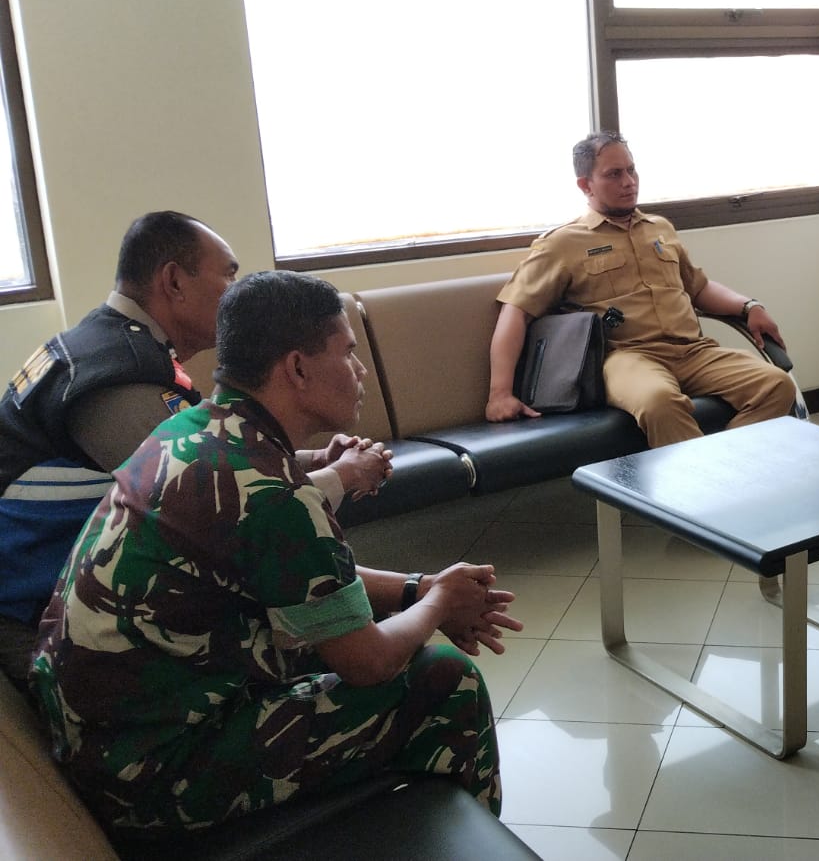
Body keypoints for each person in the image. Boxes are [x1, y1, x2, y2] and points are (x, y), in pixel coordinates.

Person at [30, 270, 521, 832]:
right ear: (298, 368)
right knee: (445, 679)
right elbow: (368, 663)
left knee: (343, 635)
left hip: (100, 737)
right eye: (348, 352)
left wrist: (418, 590)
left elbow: (300, 578)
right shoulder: (274, 495)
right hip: (151, 775)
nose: (360, 370)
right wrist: (439, 604)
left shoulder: (188, 429)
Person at [0, 212, 390, 684]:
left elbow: (225, 458)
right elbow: (223, 504)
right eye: (228, 274)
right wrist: (345, 474)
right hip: (39, 624)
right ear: (174, 282)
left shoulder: (111, 347)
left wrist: (316, 459)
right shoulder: (121, 382)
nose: (235, 288)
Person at [485, 132, 797, 447]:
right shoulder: (562, 244)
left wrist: (749, 307)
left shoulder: (660, 228)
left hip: (694, 352)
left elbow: (699, 289)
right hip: (628, 357)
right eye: (613, 174)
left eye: (631, 170)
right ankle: (702, 477)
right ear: (585, 185)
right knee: (659, 401)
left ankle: (725, 466)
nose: (629, 182)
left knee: (776, 385)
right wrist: (500, 393)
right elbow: (516, 311)